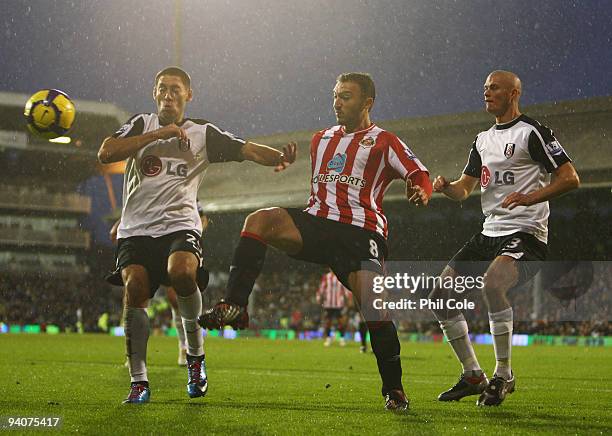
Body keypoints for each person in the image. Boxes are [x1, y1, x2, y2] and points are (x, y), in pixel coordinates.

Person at [200, 72, 432, 411]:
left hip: (361, 231)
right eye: (336, 95)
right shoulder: (320, 139)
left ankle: (394, 389)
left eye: (346, 96)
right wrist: (284, 162)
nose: (337, 102)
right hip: (317, 222)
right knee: (258, 220)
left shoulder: (384, 141)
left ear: (367, 102)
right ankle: (235, 303)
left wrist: (421, 191)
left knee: (373, 306)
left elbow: (418, 173)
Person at [97, 66, 296, 404]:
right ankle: (139, 381)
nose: (168, 94)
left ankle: (195, 358)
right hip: (137, 228)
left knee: (182, 272)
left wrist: (277, 157)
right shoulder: (141, 123)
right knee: (135, 288)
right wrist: (157, 137)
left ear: (189, 95)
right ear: (154, 93)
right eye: (162, 88)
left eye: (175, 89)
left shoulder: (203, 134)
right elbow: (105, 152)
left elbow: (245, 148)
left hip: (180, 224)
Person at [430, 70, 580, 406]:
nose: (487, 93)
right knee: (440, 294)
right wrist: (445, 188)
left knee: (492, 283)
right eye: (484, 88)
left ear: (513, 93)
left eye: (494, 88)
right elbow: (464, 190)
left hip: (526, 232)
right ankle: (472, 374)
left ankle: (503, 374)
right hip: (489, 231)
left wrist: (529, 198)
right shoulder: (482, 140)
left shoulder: (533, 132)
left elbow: (570, 178)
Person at [109, 202, 211, 367]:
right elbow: (136, 203)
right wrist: (121, 222)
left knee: (175, 296)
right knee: (134, 288)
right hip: (145, 239)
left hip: (172, 239)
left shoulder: (180, 182)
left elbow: (201, 215)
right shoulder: (146, 180)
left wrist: (195, 230)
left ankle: (185, 347)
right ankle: (133, 352)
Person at [316, 269, 350, 347]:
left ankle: (342, 338)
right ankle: (328, 338)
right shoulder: (326, 277)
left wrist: (348, 297)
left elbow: (345, 288)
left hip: (338, 304)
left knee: (341, 322)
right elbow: (322, 288)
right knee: (328, 322)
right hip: (328, 304)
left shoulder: (340, 276)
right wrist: (318, 297)